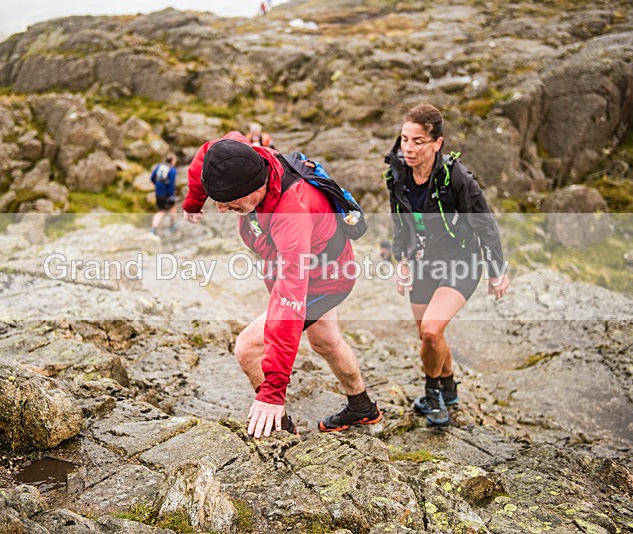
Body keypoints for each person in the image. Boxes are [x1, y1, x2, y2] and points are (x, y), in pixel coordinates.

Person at [182, 131, 381, 438]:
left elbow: (290, 296)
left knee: (249, 348)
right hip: (310, 269)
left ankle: (281, 429)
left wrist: (272, 392)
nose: (220, 210)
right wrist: (195, 201)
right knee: (325, 341)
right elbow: (208, 154)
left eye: (227, 203)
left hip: (323, 282)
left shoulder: (293, 212)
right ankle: (363, 408)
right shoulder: (243, 154)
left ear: (254, 189)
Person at [384, 103, 509, 427]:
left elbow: (486, 224)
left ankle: (433, 394)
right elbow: (400, 221)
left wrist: (496, 270)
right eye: (404, 140)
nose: (408, 149)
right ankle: (449, 384)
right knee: (430, 337)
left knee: (431, 329)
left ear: (437, 143)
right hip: (424, 261)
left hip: (462, 262)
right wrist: (403, 260)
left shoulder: (457, 178)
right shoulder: (396, 174)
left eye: (417, 141)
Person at [150, 153, 178, 235]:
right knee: (173, 207)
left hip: (158, 193)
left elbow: (152, 178)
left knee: (160, 210)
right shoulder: (172, 170)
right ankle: (172, 225)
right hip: (167, 194)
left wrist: (158, 186)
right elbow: (171, 184)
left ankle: (153, 228)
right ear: (172, 161)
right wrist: (171, 195)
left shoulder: (159, 166)